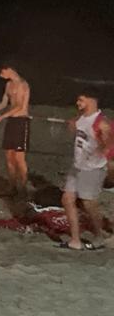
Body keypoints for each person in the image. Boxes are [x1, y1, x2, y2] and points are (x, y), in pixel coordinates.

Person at [59, 89, 112, 250]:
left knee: (89, 203)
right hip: (77, 165)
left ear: (91, 100)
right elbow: (78, 130)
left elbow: (109, 144)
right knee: (67, 199)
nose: (77, 103)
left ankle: (99, 236)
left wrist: (102, 148)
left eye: (80, 100)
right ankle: (75, 240)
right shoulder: (81, 118)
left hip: (93, 169)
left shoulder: (102, 122)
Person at [0, 65, 31, 196]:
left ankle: (23, 187)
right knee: (9, 156)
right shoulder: (8, 85)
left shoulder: (22, 84)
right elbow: (4, 103)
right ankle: (12, 186)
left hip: (21, 121)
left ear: (9, 69)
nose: (0, 75)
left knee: (19, 158)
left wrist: (1, 117)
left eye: (1, 72)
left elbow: (20, 106)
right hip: (11, 121)